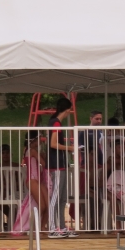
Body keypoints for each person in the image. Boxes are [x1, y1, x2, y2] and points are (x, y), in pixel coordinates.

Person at [47, 96, 77, 238]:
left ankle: (62, 227)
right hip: (57, 164)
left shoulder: (55, 123)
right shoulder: (56, 123)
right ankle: (52, 228)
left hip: (61, 164)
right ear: (67, 110)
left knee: (63, 197)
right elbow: (53, 144)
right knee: (56, 196)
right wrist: (69, 148)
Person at [13, 130, 50, 235]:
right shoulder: (32, 151)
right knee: (42, 206)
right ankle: (34, 227)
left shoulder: (30, 150)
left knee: (48, 204)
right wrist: (43, 155)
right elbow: (44, 164)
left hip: (37, 180)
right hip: (32, 179)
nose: (40, 141)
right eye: (39, 139)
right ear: (34, 140)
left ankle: (42, 226)